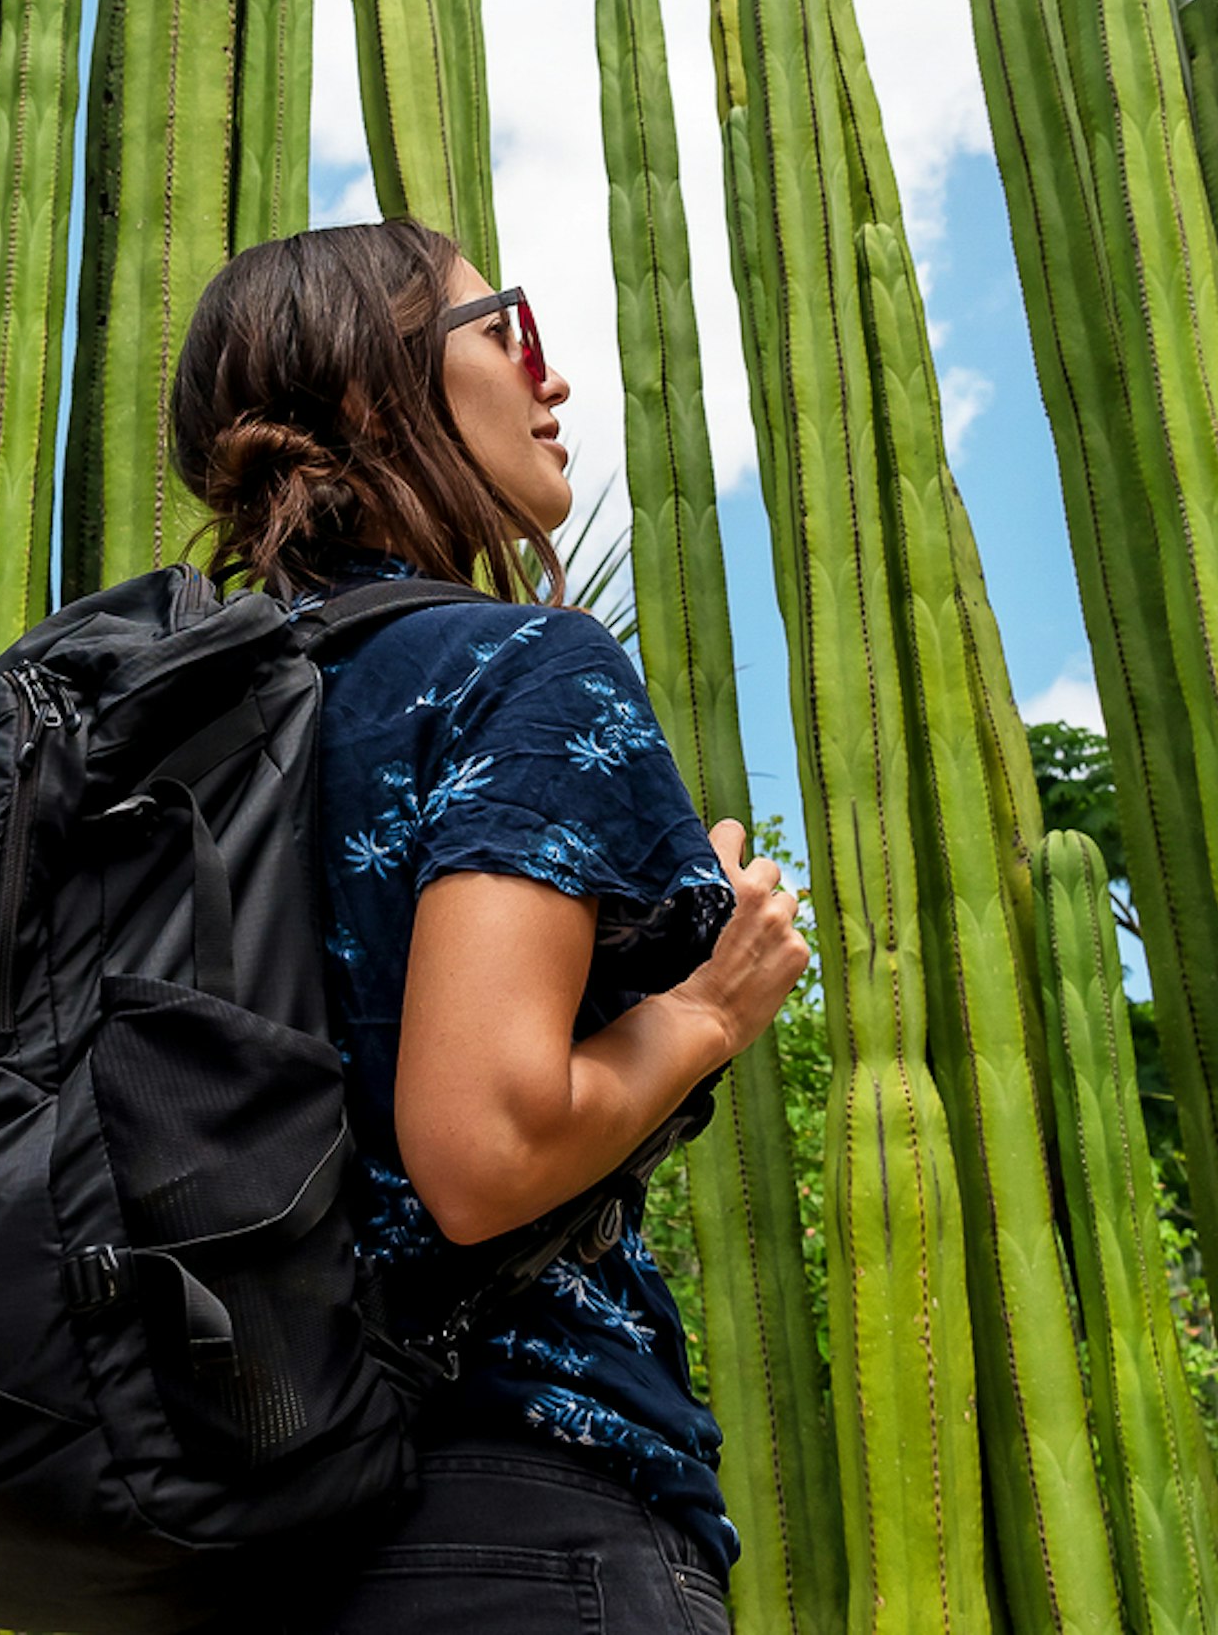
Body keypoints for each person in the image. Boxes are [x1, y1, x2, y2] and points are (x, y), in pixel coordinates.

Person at [165, 220, 813, 1635]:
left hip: (214, 1539)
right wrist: (706, 1011)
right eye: (503, 328)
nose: (552, 376)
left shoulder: (180, 723)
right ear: (362, 397)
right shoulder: (516, 665)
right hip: (512, 1516)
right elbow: (485, 1148)